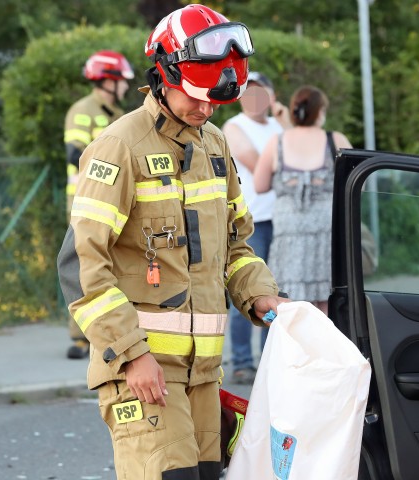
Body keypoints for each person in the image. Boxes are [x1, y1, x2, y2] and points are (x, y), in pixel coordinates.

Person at [56, 4, 289, 479]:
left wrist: (261, 296)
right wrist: (131, 355)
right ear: (163, 75)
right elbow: (80, 262)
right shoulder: (120, 146)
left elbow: (236, 246)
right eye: (196, 96)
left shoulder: (215, 145)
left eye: (215, 101)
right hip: (143, 374)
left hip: (205, 374)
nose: (205, 109)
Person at [254, 85, 351, 315]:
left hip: (289, 238)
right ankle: (326, 349)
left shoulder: (277, 142)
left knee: (291, 305)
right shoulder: (335, 140)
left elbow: (259, 185)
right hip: (326, 233)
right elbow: (356, 182)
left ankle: (298, 350)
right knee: (328, 300)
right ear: (320, 112)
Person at [63, 50, 135, 359]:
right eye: (121, 81)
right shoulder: (84, 110)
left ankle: (108, 331)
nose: (124, 87)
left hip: (112, 202)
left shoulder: (114, 113)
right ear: (107, 81)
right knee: (85, 266)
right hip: (85, 201)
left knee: (110, 268)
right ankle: (79, 337)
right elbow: (73, 152)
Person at [221, 71, 290, 384]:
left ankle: (268, 358)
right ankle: (241, 361)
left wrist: (285, 121)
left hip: (282, 220)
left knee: (274, 294)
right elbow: (254, 163)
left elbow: (305, 149)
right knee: (245, 290)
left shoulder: (279, 127)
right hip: (252, 222)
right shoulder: (234, 127)